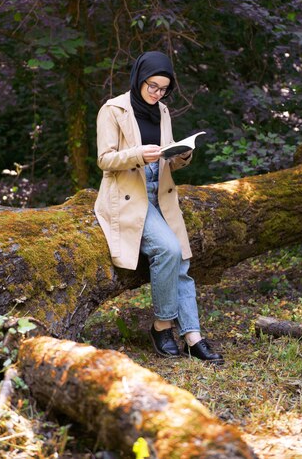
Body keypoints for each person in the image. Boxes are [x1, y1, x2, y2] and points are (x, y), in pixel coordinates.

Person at [94, 51, 224, 364]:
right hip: (128, 194)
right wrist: (138, 154)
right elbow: (104, 160)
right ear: (140, 78)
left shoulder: (162, 110)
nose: (157, 94)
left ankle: (193, 336)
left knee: (182, 260)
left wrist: (181, 156)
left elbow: (165, 160)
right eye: (152, 86)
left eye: (163, 89)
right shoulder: (112, 110)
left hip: (161, 192)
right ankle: (162, 325)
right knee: (168, 249)